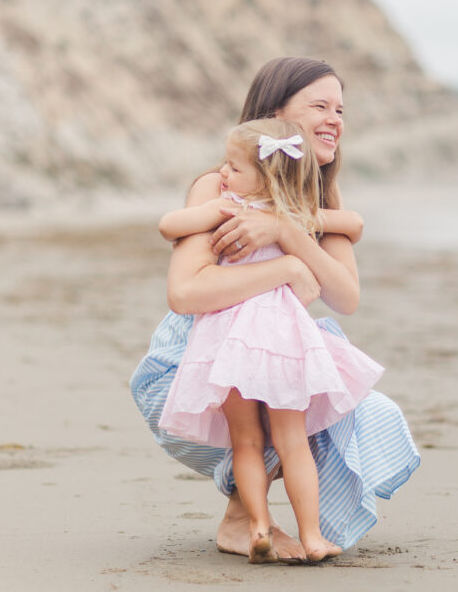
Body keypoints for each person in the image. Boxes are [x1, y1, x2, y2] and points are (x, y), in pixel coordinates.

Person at [130, 57, 420, 562]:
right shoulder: (219, 187)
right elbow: (186, 293)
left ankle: (287, 523)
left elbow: (345, 297)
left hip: (270, 351)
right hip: (191, 367)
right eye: (319, 106)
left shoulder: (321, 196)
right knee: (273, 387)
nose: (335, 119)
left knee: (363, 406)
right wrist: (285, 269)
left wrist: (288, 231)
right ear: (276, 117)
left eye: (341, 109)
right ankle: (241, 518)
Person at [156, 118, 384, 562]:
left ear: (266, 176)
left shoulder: (230, 209)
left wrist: (222, 211)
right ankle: (311, 535)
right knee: (292, 440)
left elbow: (169, 225)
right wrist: (289, 220)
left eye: (234, 168)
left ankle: (259, 525)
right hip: (282, 341)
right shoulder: (295, 212)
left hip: (232, 343)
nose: (222, 174)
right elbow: (352, 223)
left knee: (246, 442)